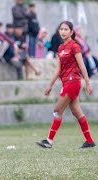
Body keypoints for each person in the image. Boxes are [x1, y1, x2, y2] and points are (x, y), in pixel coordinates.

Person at [36, 21, 95, 149]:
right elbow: (58, 69)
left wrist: (88, 82)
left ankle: (49, 141)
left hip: (73, 82)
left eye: (66, 29)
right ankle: (89, 141)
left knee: (57, 110)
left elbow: (81, 65)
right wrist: (50, 85)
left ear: (71, 32)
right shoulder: (60, 48)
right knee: (76, 112)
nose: (63, 31)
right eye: (61, 29)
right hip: (65, 82)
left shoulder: (75, 46)